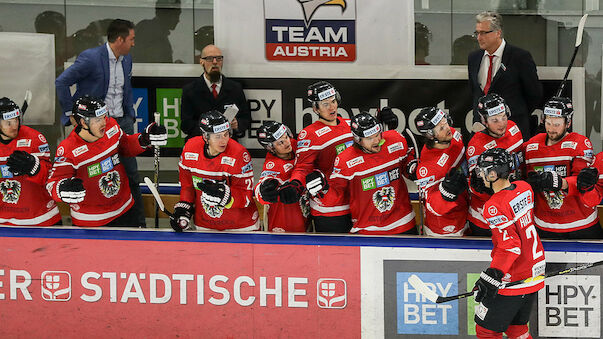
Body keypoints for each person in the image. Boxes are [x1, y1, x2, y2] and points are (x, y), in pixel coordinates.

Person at [54, 19, 146, 228]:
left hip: (120, 122)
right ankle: (96, 219)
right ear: (120, 39)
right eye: (131, 39)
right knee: (93, 172)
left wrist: (129, 115)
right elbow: (61, 82)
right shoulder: (91, 58)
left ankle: (138, 223)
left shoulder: (126, 59)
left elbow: (126, 89)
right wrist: (71, 113)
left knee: (130, 172)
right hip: (93, 126)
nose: (133, 44)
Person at [47, 96, 166, 227]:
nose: (104, 122)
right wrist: (62, 188)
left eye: (104, 116)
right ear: (83, 122)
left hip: (126, 210)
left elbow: (125, 146)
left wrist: (143, 139)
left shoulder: (111, 126)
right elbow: (53, 183)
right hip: (91, 221)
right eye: (98, 120)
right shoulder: (67, 149)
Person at [473, 147, 545, 339]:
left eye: (483, 170)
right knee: (517, 330)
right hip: (535, 271)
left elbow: (510, 245)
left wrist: (493, 274)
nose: (479, 174)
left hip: (515, 277)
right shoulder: (524, 187)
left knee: (486, 331)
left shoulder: (494, 206)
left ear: (493, 173)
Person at [316, 112, 417, 235]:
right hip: (368, 230)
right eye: (369, 138)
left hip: (404, 224)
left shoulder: (396, 139)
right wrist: (323, 189)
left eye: (378, 134)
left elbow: (407, 167)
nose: (376, 140)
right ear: (357, 139)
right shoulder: (344, 160)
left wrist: (412, 167)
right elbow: (336, 195)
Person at [279, 81, 354, 233]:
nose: (332, 107)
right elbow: (302, 167)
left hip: (356, 202)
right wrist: (295, 184)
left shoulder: (350, 124)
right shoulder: (309, 134)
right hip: (329, 208)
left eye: (333, 101)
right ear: (315, 108)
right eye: (325, 104)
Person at [524, 97, 602, 239]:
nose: (551, 129)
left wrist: (560, 182)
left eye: (557, 124)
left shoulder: (580, 143)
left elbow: (583, 182)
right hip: (544, 226)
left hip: (581, 224)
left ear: (568, 122)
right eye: (548, 123)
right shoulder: (531, 145)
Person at [171, 110, 258, 232]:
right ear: (205, 136)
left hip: (240, 227)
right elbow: (187, 186)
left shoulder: (239, 154)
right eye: (217, 136)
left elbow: (246, 196)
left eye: (226, 134)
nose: (223, 140)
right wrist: (184, 207)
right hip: (204, 225)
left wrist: (225, 196)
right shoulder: (190, 148)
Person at [468, 11, 542, 138]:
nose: (479, 38)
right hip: (482, 132)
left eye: (483, 33)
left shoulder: (520, 57)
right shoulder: (474, 58)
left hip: (512, 132)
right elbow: (475, 92)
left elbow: (534, 94)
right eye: (477, 33)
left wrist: (513, 114)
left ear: (498, 32)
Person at [466, 93, 524, 236]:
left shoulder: (513, 128)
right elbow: (476, 188)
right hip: (486, 219)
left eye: (504, 117)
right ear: (484, 121)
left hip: (514, 212)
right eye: (495, 120)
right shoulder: (476, 147)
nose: (501, 124)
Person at [0, 97, 61, 226]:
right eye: (8, 123)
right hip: (4, 222)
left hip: (40, 217)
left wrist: (35, 167)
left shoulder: (35, 139)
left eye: (16, 120)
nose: (14, 126)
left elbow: (52, 176)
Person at [414, 107, 469, 236]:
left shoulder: (454, 135)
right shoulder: (427, 168)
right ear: (430, 135)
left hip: (466, 211)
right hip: (444, 227)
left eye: (446, 123)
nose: (448, 129)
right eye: (441, 128)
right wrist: (446, 192)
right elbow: (432, 206)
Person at [181, 44, 250, 140]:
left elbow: (246, 119)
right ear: (201, 62)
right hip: (201, 142)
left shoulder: (235, 88)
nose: (215, 62)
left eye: (218, 58)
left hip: (227, 142)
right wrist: (211, 131)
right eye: (209, 58)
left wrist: (237, 124)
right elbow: (186, 125)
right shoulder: (190, 90)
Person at [254, 121, 309, 232]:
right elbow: (262, 187)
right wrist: (262, 191)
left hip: (304, 211)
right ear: (271, 148)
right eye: (280, 143)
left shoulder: (295, 144)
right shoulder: (273, 165)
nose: (287, 143)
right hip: (283, 219)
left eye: (286, 137)